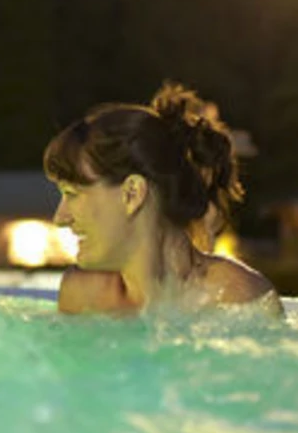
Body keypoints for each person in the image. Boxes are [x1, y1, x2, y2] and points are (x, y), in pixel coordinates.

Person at [43, 82, 283, 316]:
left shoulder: (237, 300)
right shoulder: (83, 295)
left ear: (132, 194)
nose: (60, 218)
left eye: (71, 194)